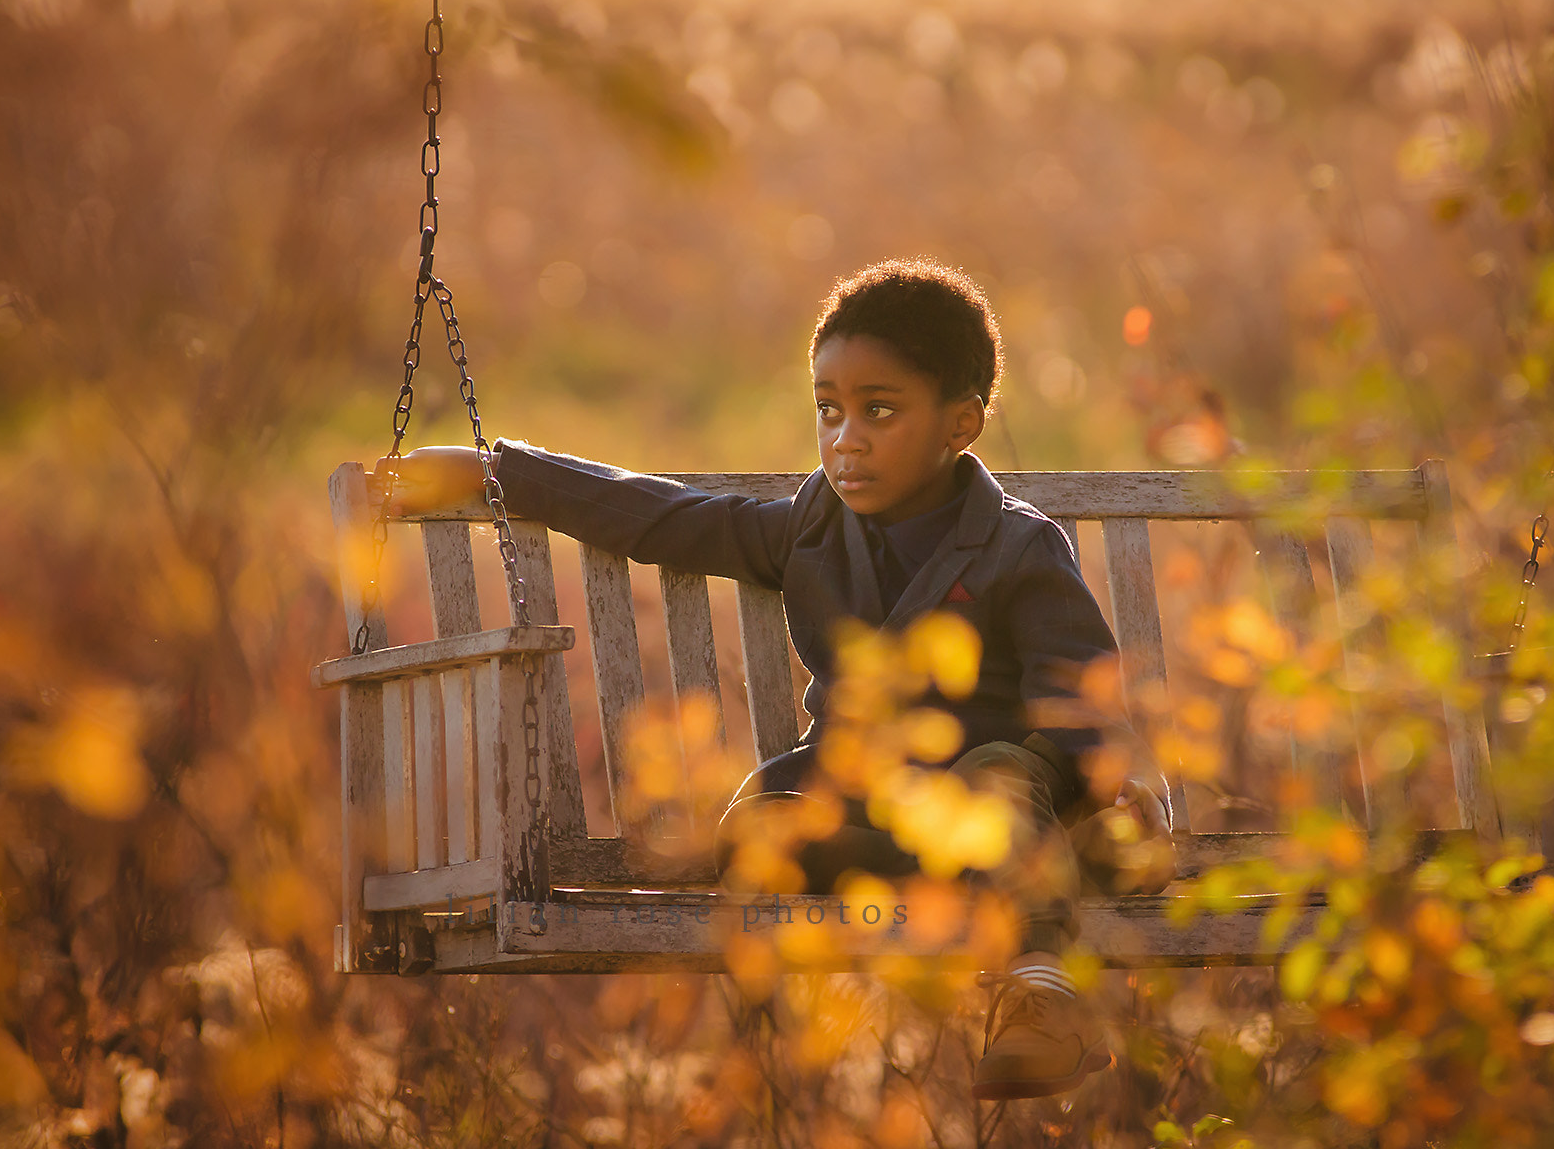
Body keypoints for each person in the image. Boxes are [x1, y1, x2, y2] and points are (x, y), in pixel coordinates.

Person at [381, 258, 1168, 1101]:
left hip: (997, 795)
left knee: (996, 781)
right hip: (863, 799)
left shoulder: (1017, 546)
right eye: (828, 411)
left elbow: (1081, 697)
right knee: (764, 828)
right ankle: (999, 902)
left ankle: (1040, 996)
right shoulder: (809, 533)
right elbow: (664, 519)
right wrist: (496, 471)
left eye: (880, 411)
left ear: (961, 425)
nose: (845, 438)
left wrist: (1094, 788)